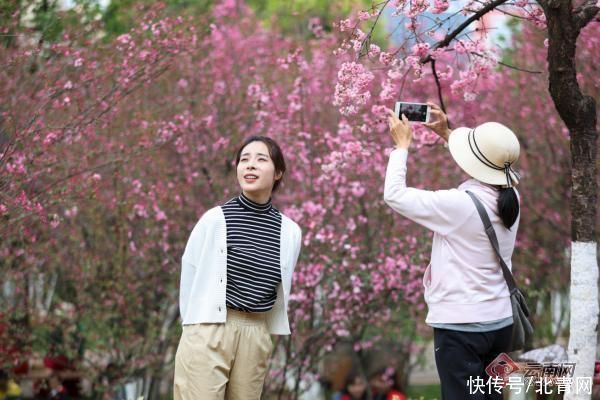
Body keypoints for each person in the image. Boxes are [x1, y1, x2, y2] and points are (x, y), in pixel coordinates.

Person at [384, 104, 521, 400]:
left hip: (462, 328)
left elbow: (394, 194)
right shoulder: (512, 197)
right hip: (500, 322)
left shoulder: (459, 205)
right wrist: (447, 134)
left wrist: (402, 146)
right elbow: (487, 168)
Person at [174, 136, 302, 400]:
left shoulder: (289, 231)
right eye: (244, 160)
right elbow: (190, 275)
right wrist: (196, 327)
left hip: (256, 332)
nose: (250, 166)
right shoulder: (215, 220)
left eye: (260, 159)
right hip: (209, 328)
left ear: (278, 172)